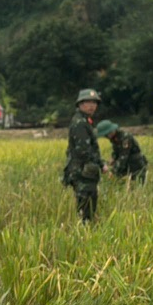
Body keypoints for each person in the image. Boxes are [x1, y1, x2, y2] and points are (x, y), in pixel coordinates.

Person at [62, 88, 104, 222]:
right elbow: (84, 151)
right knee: (85, 211)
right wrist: (101, 164)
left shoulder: (85, 121)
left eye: (94, 102)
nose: (92, 106)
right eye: (88, 102)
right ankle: (84, 237)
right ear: (80, 104)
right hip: (82, 173)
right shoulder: (80, 123)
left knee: (88, 208)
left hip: (86, 172)